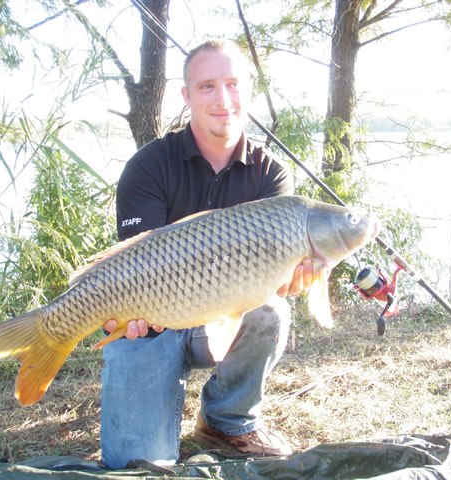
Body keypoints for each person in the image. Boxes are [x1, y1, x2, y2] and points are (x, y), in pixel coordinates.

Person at [100, 40, 317, 470]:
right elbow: (134, 266)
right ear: (186, 96)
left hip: (221, 317)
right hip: (152, 321)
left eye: (233, 84)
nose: (223, 99)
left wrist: (292, 277)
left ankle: (225, 421)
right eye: (207, 87)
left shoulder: (271, 175)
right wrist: (129, 312)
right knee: (138, 464)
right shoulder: (147, 167)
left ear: (248, 91)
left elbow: (273, 277)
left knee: (270, 310)